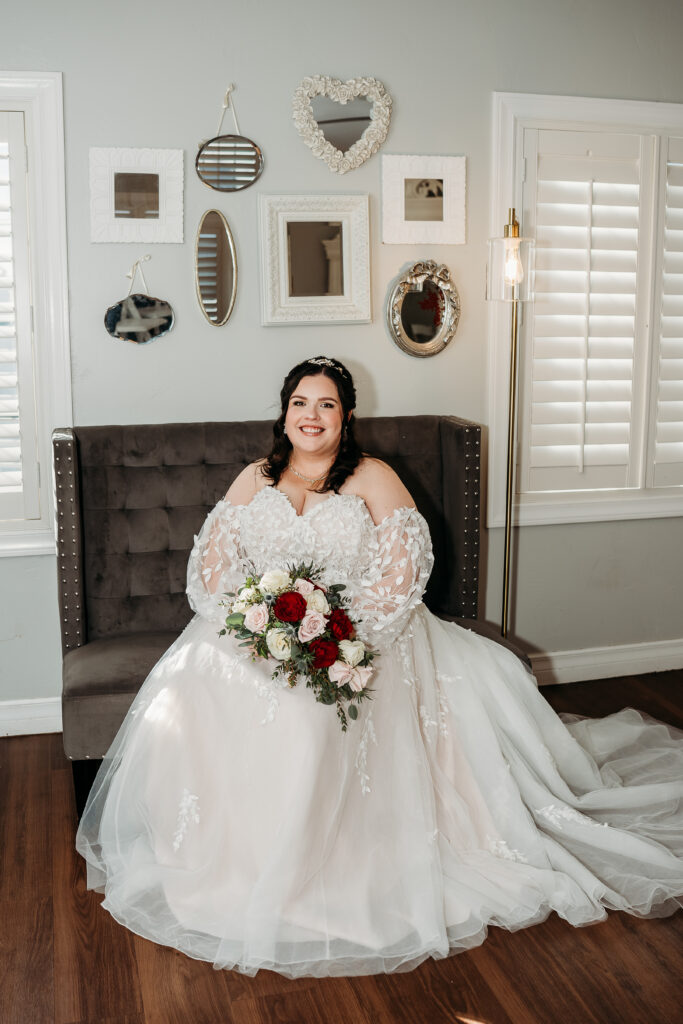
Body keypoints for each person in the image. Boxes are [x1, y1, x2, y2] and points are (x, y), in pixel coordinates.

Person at [76, 355, 683, 979]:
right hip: (261, 630)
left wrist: (336, 636)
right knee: (195, 689)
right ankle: (222, 857)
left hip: (359, 634)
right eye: (300, 404)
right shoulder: (255, 478)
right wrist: (254, 621)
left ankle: (317, 866)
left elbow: (404, 574)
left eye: (326, 405)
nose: (311, 417)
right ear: (284, 413)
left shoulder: (372, 476)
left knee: (310, 714)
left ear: (346, 416)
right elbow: (209, 571)